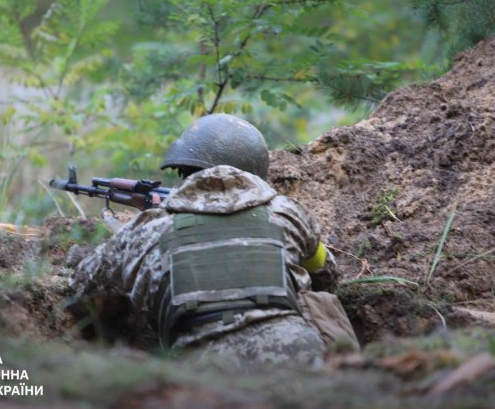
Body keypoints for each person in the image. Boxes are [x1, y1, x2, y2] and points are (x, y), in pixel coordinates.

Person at [67, 114, 357, 368]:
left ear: (183, 172)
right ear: (256, 170)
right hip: (301, 361)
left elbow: (82, 288)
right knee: (319, 299)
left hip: (204, 378)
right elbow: (326, 273)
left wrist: (82, 257)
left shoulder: (147, 229)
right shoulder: (288, 212)